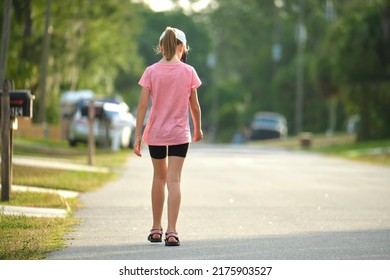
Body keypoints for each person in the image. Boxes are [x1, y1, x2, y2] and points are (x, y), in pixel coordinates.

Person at [133, 27, 203, 246]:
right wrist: (198, 129)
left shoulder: (151, 71)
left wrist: (137, 137)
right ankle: (172, 232)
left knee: (158, 178)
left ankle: (156, 229)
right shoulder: (189, 71)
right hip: (179, 134)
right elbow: (195, 106)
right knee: (174, 180)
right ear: (181, 48)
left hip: (155, 134)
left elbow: (142, 105)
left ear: (161, 47)